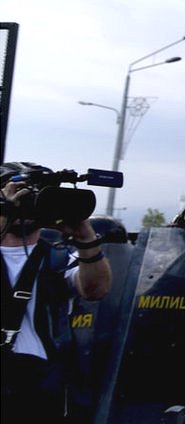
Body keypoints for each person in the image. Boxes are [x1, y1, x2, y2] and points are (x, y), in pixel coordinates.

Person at [1, 162, 112, 423]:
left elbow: (96, 290)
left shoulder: (60, 258)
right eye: (20, 194)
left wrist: (86, 238)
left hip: (37, 386)